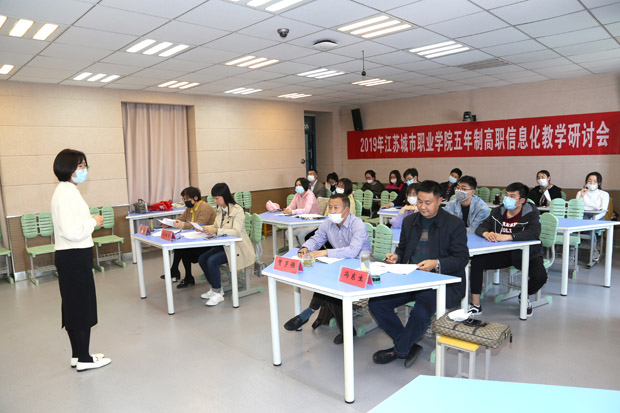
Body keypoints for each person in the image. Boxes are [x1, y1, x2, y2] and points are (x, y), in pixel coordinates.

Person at [368, 181, 468, 368]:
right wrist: (396, 256)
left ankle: (400, 349)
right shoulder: (410, 221)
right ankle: (408, 344)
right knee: (377, 303)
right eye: (420, 201)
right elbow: (403, 248)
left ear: (440, 201)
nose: (422, 206)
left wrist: (436, 263)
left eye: (428, 202)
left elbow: (462, 258)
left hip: (442, 282)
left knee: (421, 311)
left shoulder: (454, 224)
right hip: (411, 278)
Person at [51, 149, 111, 372]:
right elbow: (72, 231)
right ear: (68, 168)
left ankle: (78, 355)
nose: (84, 170)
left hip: (71, 255)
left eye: (85, 165)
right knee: (81, 305)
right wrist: (93, 221)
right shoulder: (66, 194)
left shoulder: (67, 191)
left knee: (73, 305)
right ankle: (84, 358)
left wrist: (88, 221)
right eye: (80, 166)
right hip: (74, 255)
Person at [283, 194, 371, 344]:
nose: (332, 211)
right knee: (327, 285)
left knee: (331, 290)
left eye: (336, 208)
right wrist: (305, 248)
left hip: (360, 267)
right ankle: (345, 330)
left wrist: (325, 252)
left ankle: (310, 312)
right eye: (330, 207)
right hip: (339, 264)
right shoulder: (327, 223)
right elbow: (316, 239)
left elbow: (352, 251)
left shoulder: (358, 224)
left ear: (346, 210)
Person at [470, 182, 548, 317]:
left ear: (522, 200)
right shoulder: (498, 211)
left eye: (512, 196)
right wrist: (486, 233)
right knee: (477, 262)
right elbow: (481, 227)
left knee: (540, 276)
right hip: (503, 253)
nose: (507, 198)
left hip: (528, 253)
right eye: (506, 195)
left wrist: (508, 237)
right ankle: (476, 305)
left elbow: (534, 233)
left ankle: (524, 296)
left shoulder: (531, 212)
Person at [197, 183, 255, 306]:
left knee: (212, 261)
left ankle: (218, 293)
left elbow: (236, 231)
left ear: (225, 196)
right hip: (224, 245)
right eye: (214, 198)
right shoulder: (220, 209)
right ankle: (215, 287)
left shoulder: (237, 210)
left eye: (217, 198)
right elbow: (216, 226)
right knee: (202, 258)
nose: (215, 201)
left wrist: (216, 231)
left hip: (238, 247)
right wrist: (204, 228)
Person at [159, 186, 216, 287]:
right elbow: (181, 218)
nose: (185, 201)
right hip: (196, 238)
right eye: (184, 199)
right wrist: (170, 223)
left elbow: (200, 224)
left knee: (182, 249)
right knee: (181, 247)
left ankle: (179, 273)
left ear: (195, 197)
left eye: (187, 198)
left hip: (208, 241)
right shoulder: (190, 208)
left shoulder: (205, 207)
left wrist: (182, 225)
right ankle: (183, 275)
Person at [576, 172, 610, 261]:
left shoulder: (604, 194)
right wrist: (582, 196)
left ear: (599, 183)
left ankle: (594, 250)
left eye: (595, 181)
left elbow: (603, 211)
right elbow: (576, 207)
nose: (592, 183)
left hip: (598, 217)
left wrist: (591, 220)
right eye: (589, 181)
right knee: (573, 227)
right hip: (582, 216)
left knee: (590, 228)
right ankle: (572, 250)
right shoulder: (580, 192)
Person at [284, 177, 320, 245]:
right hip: (302, 221)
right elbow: (291, 206)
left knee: (301, 234)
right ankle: (296, 249)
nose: (298, 187)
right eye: (296, 185)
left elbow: (306, 211)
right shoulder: (297, 194)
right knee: (288, 232)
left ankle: (306, 250)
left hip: (313, 222)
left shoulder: (310, 195)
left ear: (304, 185)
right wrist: (287, 209)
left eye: (300, 185)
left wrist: (292, 212)